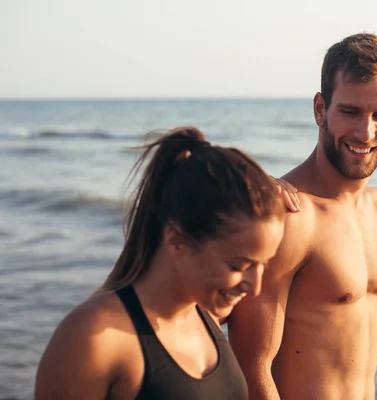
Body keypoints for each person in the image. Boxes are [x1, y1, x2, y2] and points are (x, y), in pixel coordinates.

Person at [228, 33, 377, 400]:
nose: (365, 132)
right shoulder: (287, 216)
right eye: (350, 112)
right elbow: (251, 368)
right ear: (320, 109)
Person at [35, 126, 287, 399]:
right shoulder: (94, 338)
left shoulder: (205, 317)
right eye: (239, 266)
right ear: (177, 241)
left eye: (264, 263)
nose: (255, 287)